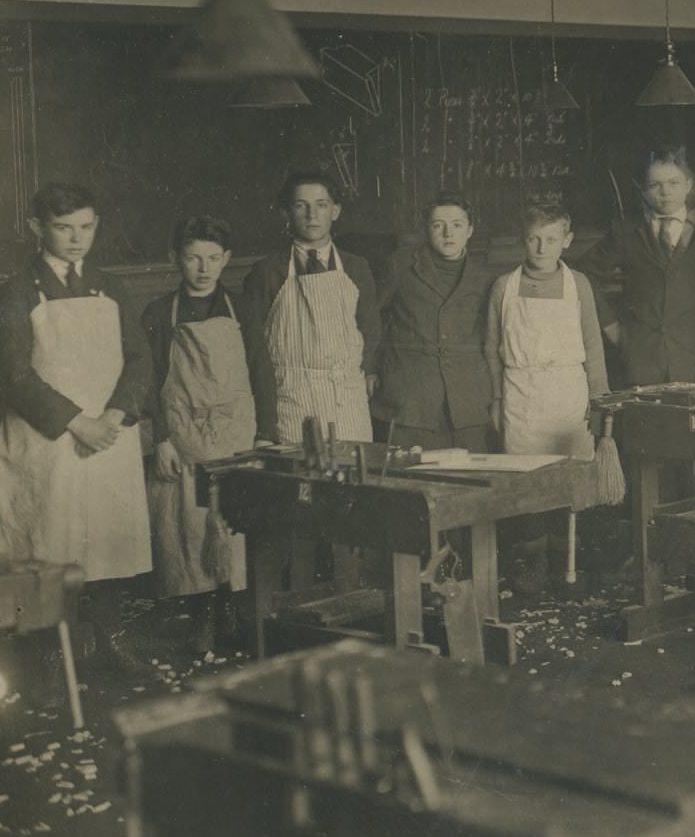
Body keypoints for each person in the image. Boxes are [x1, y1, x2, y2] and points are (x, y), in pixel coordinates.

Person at [0, 182, 154, 675]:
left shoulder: (113, 287)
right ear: (37, 228)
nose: (76, 238)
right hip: (49, 442)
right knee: (48, 544)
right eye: (63, 228)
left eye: (86, 227)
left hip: (108, 435)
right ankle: (46, 654)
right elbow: (12, 374)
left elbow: (141, 359)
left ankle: (109, 641)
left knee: (106, 541)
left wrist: (115, 416)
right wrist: (75, 422)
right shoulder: (18, 291)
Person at [141, 215, 257, 657]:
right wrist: (162, 439)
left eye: (213, 258)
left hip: (235, 432)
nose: (203, 269)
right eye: (193, 258)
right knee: (187, 532)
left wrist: (262, 434)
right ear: (176, 260)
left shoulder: (240, 309)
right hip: (183, 433)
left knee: (235, 530)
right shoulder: (158, 313)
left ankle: (233, 613)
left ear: (226, 259)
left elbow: (260, 370)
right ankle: (201, 620)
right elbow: (150, 382)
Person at [240, 171, 382, 445]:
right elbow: (255, 348)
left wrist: (365, 370)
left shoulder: (356, 267)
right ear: (286, 213)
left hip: (346, 399)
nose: (311, 215)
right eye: (300, 205)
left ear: (336, 211)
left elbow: (371, 328)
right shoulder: (267, 272)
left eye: (321, 205)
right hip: (292, 399)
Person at [577, 145, 695, 387]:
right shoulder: (626, 230)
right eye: (655, 185)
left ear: (689, 185)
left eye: (674, 183)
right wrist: (609, 324)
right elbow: (581, 275)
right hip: (642, 358)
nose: (665, 192)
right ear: (643, 190)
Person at [485, 201, 610, 456]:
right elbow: (491, 349)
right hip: (521, 398)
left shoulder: (578, 284)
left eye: (551, 240)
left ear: (567, 240)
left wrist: (599, 401)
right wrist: (497, 400)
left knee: (573, 478)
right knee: (526, 481)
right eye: (534, 239)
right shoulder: (503, 286)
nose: (542, 248)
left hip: (570, 399)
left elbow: (593, 345)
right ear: (524, 240)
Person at [373, 191, 494, 452]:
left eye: (457, 225)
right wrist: (371, 368)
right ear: (426, 229)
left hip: (467, 403)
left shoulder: (485, 277)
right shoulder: (400, 266)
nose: (448, 234)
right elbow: (370, 318)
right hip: (410, 400)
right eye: (438, 225)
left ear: (470, 230)